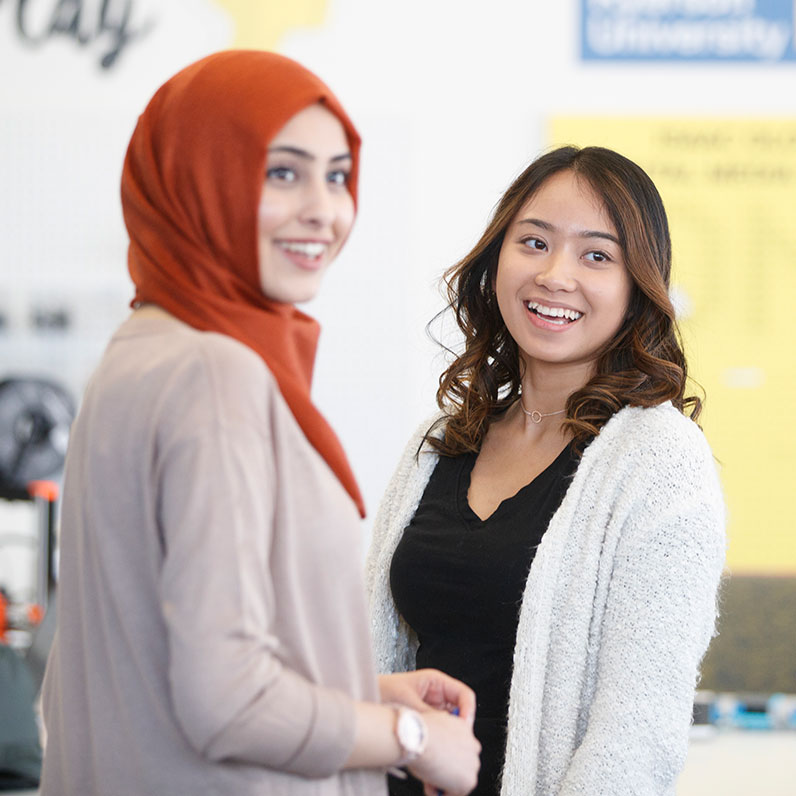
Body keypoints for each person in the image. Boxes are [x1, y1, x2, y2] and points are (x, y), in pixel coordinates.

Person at [40, 50, 480, 796]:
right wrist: (410, 738)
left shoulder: (138, 352)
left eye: (338, 175)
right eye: (283, 172)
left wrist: (360, 694)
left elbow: (164, 658)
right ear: (197, 178)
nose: (323, 209)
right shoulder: (218, 375)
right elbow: (228, 701)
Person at [366, 146, 726, 796]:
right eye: (534, 242)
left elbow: (637, 737)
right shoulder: (438, 441)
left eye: (597, 255)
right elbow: (372, 659)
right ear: (497, 258)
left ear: (637, 285)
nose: (556, 275)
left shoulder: (660, 462)